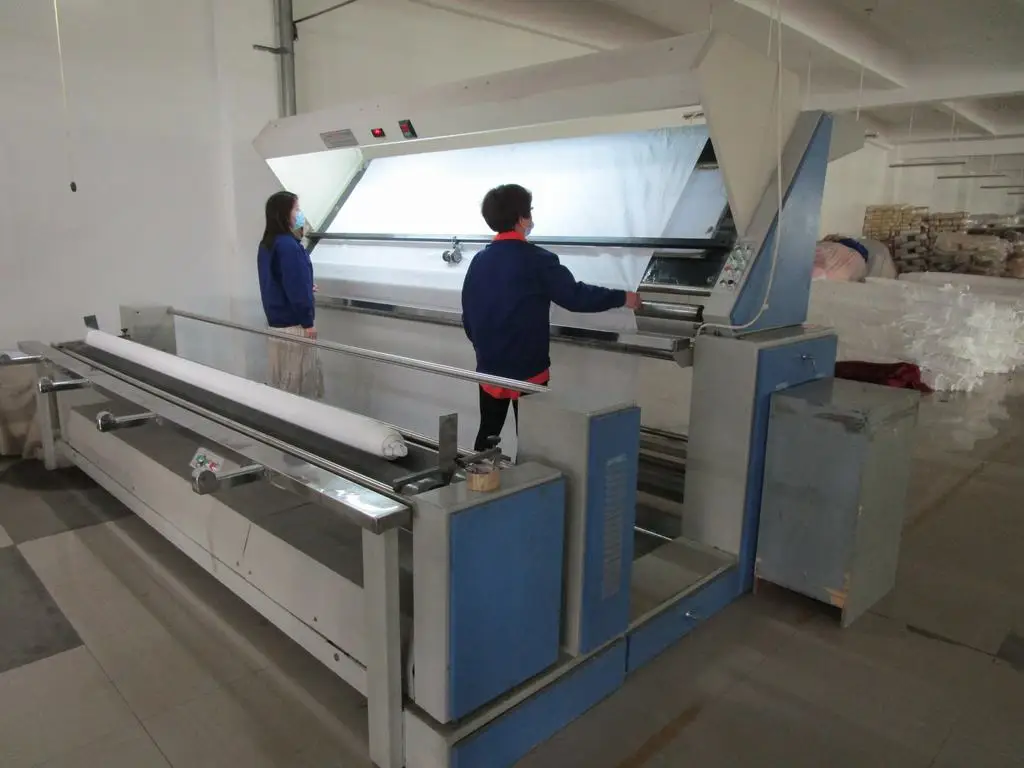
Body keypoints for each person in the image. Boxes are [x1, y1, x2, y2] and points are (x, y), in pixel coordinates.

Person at [461, 183, 641, 451]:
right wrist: (622, 298)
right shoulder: (538, 260)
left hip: (490, 368)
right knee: (533, 440)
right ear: (522, 219)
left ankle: (478, 475)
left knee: (488, 432)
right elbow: (575, 297)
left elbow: (468, 313)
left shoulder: (479, 261)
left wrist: (484, 348)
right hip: (528, 370)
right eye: (530, 211)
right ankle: (529, 478)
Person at [257, 190, 324, 399]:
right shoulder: (289, 246)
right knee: (297, 385)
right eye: (296, 209)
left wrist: (305, 285)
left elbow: (277, 281)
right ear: (284, 214)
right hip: (295, 326)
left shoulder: (268, 244)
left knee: (280, 381)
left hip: (276, 324)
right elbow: (295, 288)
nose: (300, 214)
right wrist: (308, 323)